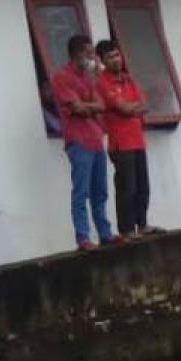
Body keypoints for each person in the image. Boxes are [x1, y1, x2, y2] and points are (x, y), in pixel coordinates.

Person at [52, 34, 123, 251]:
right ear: (78, 54)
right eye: (90, 54)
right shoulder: (62, 77)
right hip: (78, 142)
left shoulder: (87, 79)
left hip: (95, 140)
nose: (93, 59)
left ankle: (105, 233)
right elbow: (76, 108)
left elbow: (99, 105)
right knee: (81, 192)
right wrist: (86, 106)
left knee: (100, 191)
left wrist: (86, 107)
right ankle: (83, 237)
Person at [95, 40, 163, 239]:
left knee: (143, 186)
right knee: (127, 187)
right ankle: (126, 229)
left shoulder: (128, 79)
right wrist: (131, 108)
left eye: (117, 55)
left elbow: (144, 105)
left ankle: (142, 224)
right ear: (102, 61)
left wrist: (130, 107)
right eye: (110, 57)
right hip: (120, 143)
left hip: (138, 140)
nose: (116, 60)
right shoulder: (102, 83)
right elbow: (124, 109)